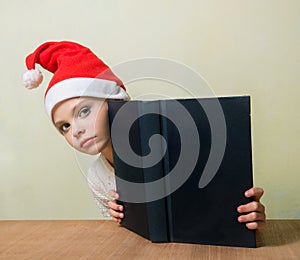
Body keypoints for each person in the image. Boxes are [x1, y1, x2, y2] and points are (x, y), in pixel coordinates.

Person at [23, 41, 266, 232]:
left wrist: (244, 214)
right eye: (64, 126)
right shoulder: (97, 178)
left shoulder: (172, 143)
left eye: (84, 111)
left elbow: (212, 197)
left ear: (115, 102)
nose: (75, 130)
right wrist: (121, 220)